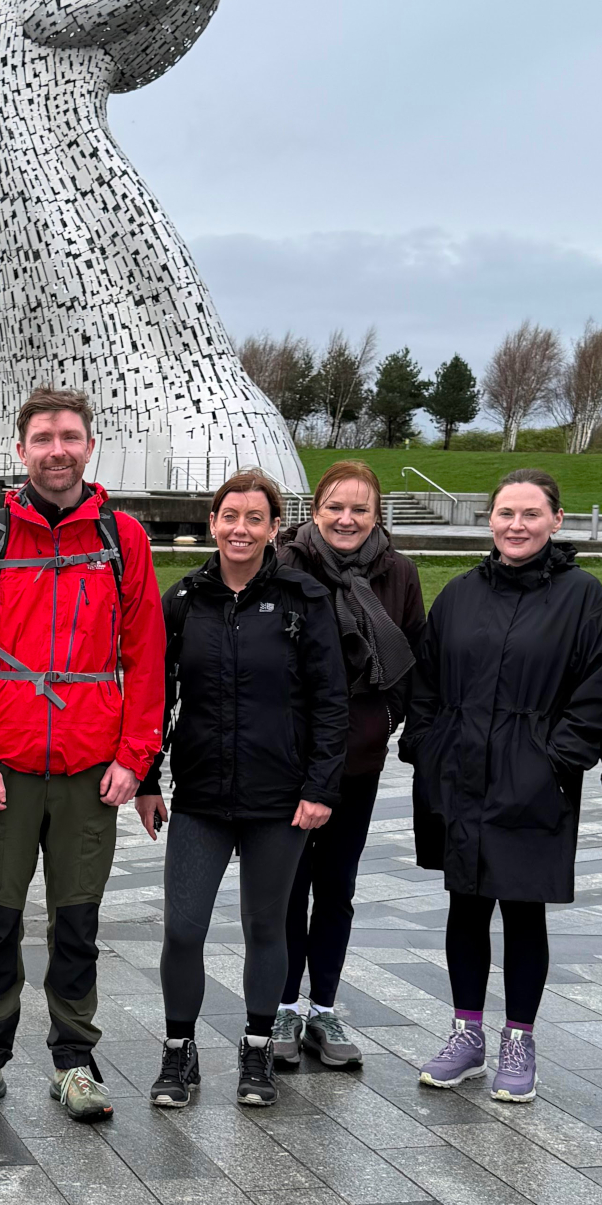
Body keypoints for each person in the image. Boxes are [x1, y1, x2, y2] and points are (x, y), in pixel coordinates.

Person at [0, 389, 164, 1124]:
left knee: (77, 923)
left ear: (88, 446)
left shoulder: (122, 536)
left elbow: (147, 656)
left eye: (69, 436)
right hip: (4, 762)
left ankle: (75, 1060)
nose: (57, 449)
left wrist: (135, 757)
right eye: (43, 437)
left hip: (90, 769)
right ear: (21, 449)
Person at [404, 469, 602, 1104]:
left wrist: (555, 761)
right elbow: (427, 679)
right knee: (465, 904)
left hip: (534, 781)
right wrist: (426, 745)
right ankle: (465, 1032)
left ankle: (519, 1037)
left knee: (524, 909)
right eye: (505, 513)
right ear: (489, 520)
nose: (516, 525)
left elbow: (598, 689)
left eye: (531, 514)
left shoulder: (583, 597)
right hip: (461, 773)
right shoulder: (462, 593)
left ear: (557, 520)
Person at [136, 471, 347, 1110]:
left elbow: (331, 701)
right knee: (183, 930)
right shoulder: (185, 600)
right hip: (200, 797)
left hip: (278, 801)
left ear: (274, 529)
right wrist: (148, 779)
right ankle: (178, 1052)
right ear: (212, 522)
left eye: (255, 518)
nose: (240, 529)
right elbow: (155, 696)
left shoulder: (303, 599)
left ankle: (256, 1049)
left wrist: (320, 787)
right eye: (230, 516)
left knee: (265, 927)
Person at [277, 461, 425, 1070]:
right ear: (315, 511)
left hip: (357, 759)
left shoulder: (399, 574)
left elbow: (413, 655)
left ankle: (323, 1007)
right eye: (335, 507)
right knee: (286, 887)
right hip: (288, 757)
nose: (347, 519)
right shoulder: (284, 565)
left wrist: (384, 719)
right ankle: (283, 1003)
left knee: (336, 887)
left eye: (359, 509)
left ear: (376, 515)